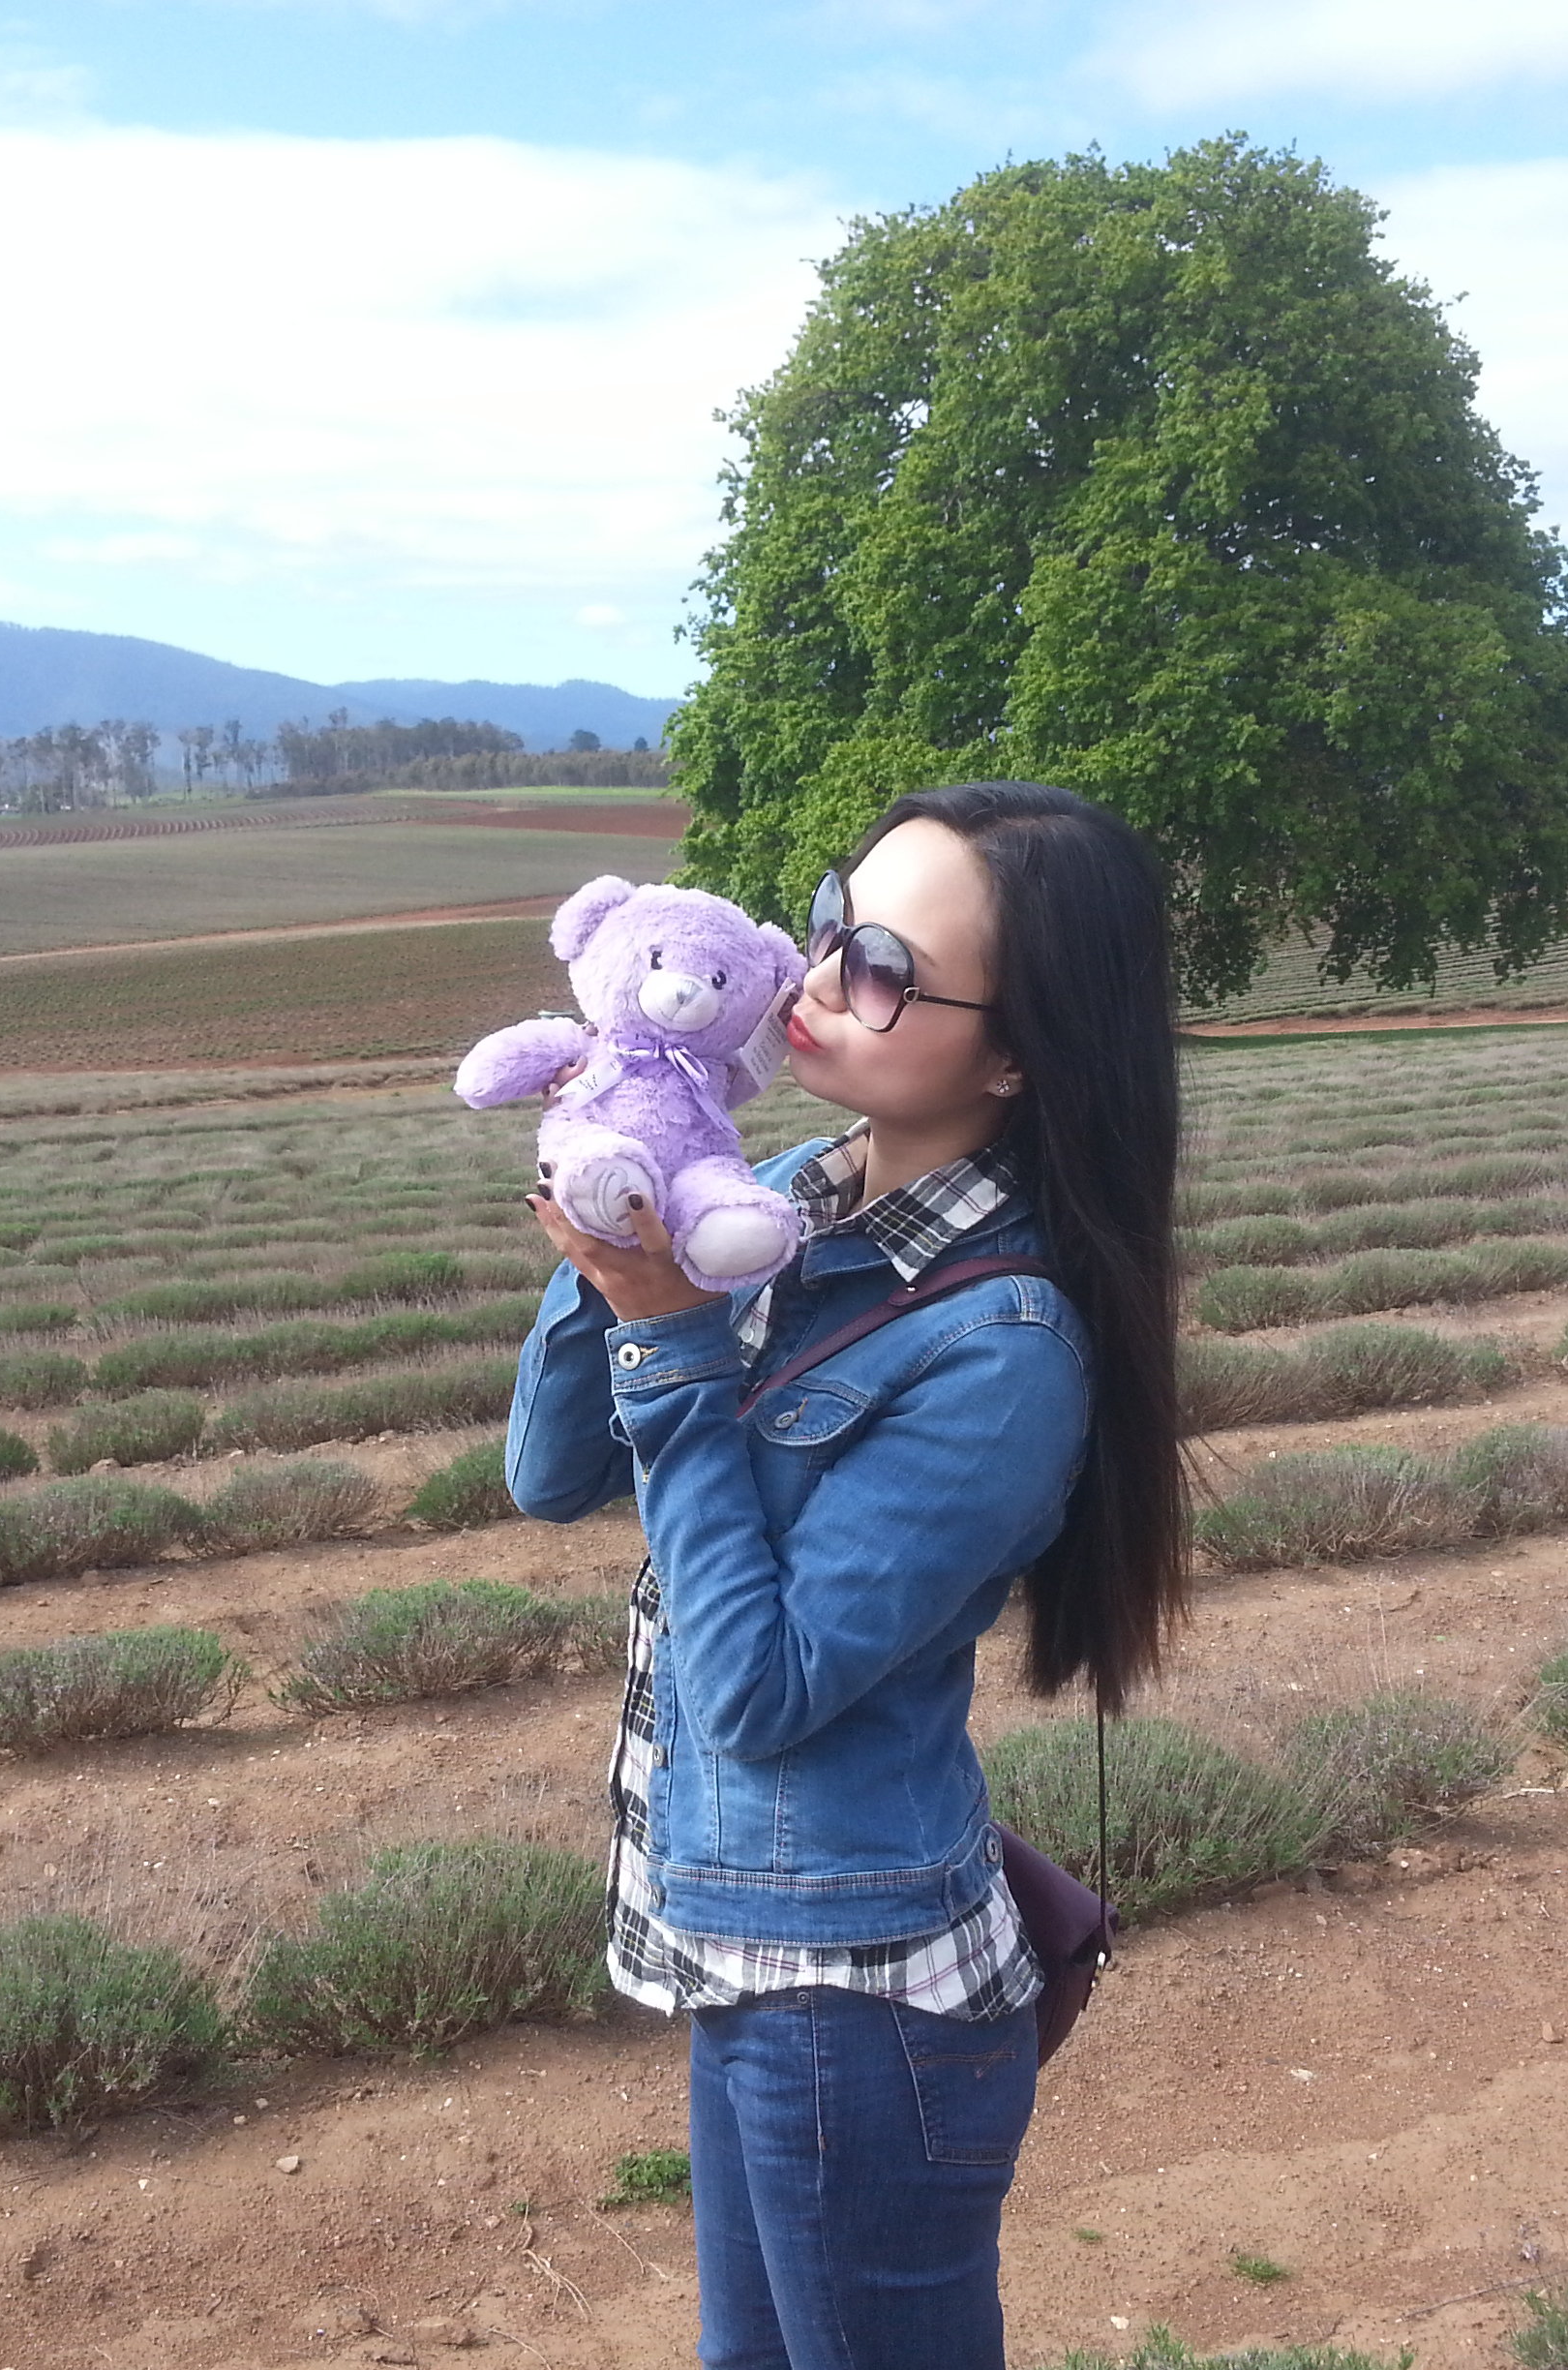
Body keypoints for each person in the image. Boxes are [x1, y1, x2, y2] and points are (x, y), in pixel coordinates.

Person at [505, 779, 1187, 2370]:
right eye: (830, 925)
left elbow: (759, 1692)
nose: (816, 978)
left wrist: (671, 1334)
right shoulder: (790, 1201)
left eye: (883, 966)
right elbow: (549, 1477)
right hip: (746, 1948)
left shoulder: (1003, 1349)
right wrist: (608, 1225)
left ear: (1016, 1053)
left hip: (857, 1999)